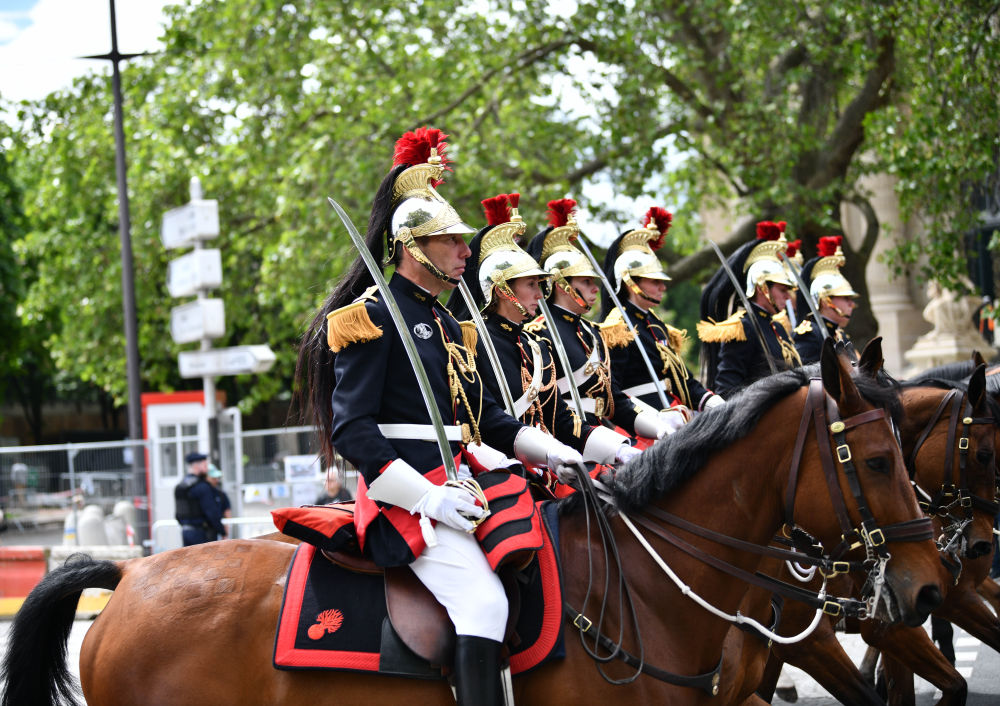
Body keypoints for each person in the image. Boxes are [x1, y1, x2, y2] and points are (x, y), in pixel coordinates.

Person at [295, 127, 582, 706]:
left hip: (462, 483)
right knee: (483, 603)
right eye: (451, 242)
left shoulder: (449, 324)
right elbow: (353, 430)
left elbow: (486, 420)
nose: (464, 251)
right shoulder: (371, 316)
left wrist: (554, 452)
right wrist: (425, 498)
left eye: (461, 241)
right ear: (412, 247)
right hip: (404, 494)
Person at [446, 192, 638, 471]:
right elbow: (480, 419)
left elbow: (560, 418)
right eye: (532, 285)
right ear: (503, 290)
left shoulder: (536, 346)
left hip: (546, 463)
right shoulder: (472, 340)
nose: (540, 293)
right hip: (498, 466)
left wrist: (618, 448)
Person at [523, 199, 676, 442]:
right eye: (586, 282)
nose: (595, 289)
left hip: (602, 432)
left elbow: (614, 400)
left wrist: (657, 427)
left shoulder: (592, 332)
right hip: (566, 440)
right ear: (562, 285)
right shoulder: (537, 332)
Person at [601, 207, 724, 421]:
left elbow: (682, 379)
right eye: (654, 282)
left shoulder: (656, 325)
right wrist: (650, 419)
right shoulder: (617, 327)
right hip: (642, 421)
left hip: (674, 410)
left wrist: (710, 400)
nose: (662, 287)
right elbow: (613, 391)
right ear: (631, 282)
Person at [698, 221, 802, 398]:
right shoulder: (743, 328)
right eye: (783, 290)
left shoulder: (777, 327)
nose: (787, 297)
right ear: (763, 289)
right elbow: (727, 389)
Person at [793, 235, 859, 364]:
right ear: (825, 300)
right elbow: (807, 379)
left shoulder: (839, 335)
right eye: (845, 298)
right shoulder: (809, 335)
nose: (851, 304)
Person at [174, 452, 226, 545]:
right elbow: (211, 512)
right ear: (197, 466)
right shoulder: (202, 487)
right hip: (202, 533)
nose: (207, 469)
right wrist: (222, 531)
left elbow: (178, 514)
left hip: (186, 532)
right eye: (205, 465)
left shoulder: (181, 486)